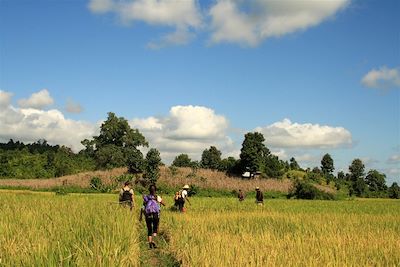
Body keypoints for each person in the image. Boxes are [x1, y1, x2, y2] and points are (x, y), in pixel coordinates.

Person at [139, 184, 165, 249]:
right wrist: (161, 201)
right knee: (155, 228)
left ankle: (150, 243)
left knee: (149, 229)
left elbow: (143, 206)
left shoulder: (146, 197)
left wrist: (141, 216)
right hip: (155, 215)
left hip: (148, 215)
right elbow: (164, 204)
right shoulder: (157, 197)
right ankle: (153, 241)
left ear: (149, 190)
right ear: (155, 190)